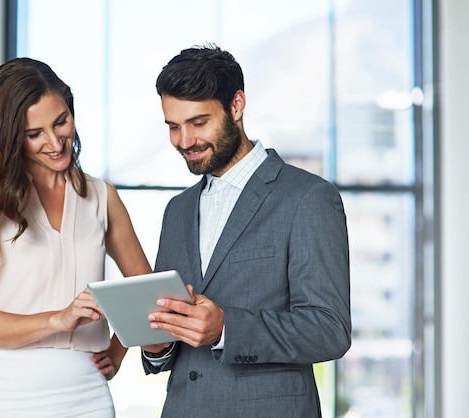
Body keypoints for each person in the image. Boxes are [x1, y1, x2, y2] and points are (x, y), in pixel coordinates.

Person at [0, 57, 152, 418]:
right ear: (10, 137)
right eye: (34, 134)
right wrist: (58, 319)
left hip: (86, 391)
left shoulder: (100, 196)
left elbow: (145, 292)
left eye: (61, 121)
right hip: (2, 391)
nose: (55, 141)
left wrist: (117, 350)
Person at [141, 44, 351, 418]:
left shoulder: (308, 198)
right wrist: (157, 346)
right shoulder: (177, 210)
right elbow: (176, 337)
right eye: (174, 126)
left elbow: (329, 329)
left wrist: (226, 327)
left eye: (199, 122)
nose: (184, 141)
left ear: (236, 106)